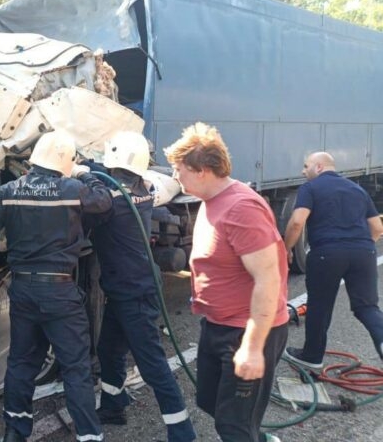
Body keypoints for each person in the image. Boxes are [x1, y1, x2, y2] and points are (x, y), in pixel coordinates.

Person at [0, 130, 111, 442]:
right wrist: (87, 175)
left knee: (21, 363)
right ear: (65, 162)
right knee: (75, 367)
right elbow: (103, 203)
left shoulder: (9, 190)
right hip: (60, 292)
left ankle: (15, 432)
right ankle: (89, 436)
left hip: (23, 292)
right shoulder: (72, 188)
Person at [164, 122, 289, 442]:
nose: (176, 177)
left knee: (233, 427)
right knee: (209, 401)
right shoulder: (212, 201)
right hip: (218, 325)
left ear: (203, 169)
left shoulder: (241, 208)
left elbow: (268, 277)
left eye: (179, 170)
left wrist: (252, 347)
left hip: (244, 330)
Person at [83, 131, 196, 442]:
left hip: (134, 292)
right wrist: (93, 166)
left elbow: (94, 198)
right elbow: (111, 177)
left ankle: (181, 430)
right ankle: (113, 404)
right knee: (108, 349)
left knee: (152, 364)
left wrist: (81, 171)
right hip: (126, 289)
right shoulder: (143, 189)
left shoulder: (112, 203)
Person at [282, 152, 383, 369]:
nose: (302, 171)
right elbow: (377, 228)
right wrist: (360, 248)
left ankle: (312, 357)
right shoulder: (358, 189)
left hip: (326, 253)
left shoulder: (310, 189)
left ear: (318, 167)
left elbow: (297, 222)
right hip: (363, 252)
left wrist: (286, 248)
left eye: (305, 165)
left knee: (320, 305)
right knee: (367, 307)